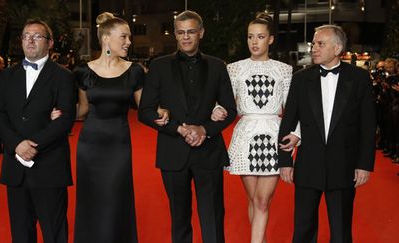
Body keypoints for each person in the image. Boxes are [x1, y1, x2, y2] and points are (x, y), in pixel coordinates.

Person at [64, 12, 168, 243]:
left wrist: (162, 112)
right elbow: (82, 109)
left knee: (115, 198)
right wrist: (57, 116)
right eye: (124, 37)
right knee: (91, 200)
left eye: (129, 37)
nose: (129, 42)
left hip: (118, 144)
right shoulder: (83, 71)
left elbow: (144, 108)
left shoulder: (134, 71)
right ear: (106, 39)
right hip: (89, 146)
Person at [138, 10, 237, 243]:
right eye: (180, 32)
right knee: (179, 218)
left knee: (213, 216)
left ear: (201, 33)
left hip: (209, 152)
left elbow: (230, 109)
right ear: (174, 34)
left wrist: (205, 130)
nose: (185, 37)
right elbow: (145, 111)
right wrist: (178, 129)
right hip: (173, 151)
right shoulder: (159, 66)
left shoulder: (217, 66)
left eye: (191, 32)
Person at [278, 25, 376, 243]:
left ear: (338, 48)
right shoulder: (301, 78)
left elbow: (368, 125)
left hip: (344, 166)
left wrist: (364, 164)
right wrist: (285, 161)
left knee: (341, 231)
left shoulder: (359, 78)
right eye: (314, 43)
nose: (314, 48)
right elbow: (289, 120)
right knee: (303, 229)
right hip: (308, 165)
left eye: (320, 44)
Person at [212, 13, 299, 243]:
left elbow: (292, 108)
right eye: (251, 36)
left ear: (270, 39)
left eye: (260, 37)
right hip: (246, 135)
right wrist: (217, 109)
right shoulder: (234, 69)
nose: (254, 41)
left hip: (274, 136)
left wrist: (296, 134)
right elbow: (226, 102)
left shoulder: (284, 70)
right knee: (254, 200)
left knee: (261, 200)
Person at [0, 18, 77, 243]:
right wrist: (17, 144)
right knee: (20, 233)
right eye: (25, 36)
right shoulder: (8, 75)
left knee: (54, 232)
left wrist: (33, 145)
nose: (29, 40)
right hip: (15, 167)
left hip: (49, 167)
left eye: (37, 36)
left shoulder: (63, 76)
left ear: (49, 43)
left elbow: (66, 119)